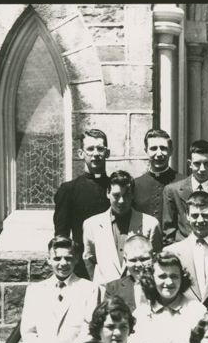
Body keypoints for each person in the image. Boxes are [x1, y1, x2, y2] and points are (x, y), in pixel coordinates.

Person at [83, 170, 163, 286]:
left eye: (126, 195)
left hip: (139, 291)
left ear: (133, 195)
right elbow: (89, 260)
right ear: (108, 193)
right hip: (106, 293)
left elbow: (155, 261)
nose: (121, 201)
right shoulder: (92, 225)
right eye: (116, 195)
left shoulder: (150, 224)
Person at [131, 252, 207, 343]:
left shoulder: (197, 311)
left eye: (174, 276)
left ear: (182, 278)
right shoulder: (140, 314)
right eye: (162, 276)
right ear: (151, 278)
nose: (169, 282)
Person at [163, 190, 208, 312]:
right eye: (195, 215)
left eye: (205, 215)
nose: (200, 221)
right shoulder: (172, 252)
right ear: (187, 216)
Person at [53, 128, 111, 268]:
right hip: (81, 265)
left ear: (107, 153)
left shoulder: (114, 188)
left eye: (100, 149)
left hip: (112, 260)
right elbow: (62, 234)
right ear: (81, 153)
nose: (95, 154)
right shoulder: (69, 190)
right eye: (90, 149)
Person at [162, 139, 208, 246]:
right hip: (183, 250)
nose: (202, 169)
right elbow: (168, 230)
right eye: (197, 164)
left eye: (206, 163)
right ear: (190, 164)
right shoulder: (173, 190)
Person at [133, 127, 177, 230]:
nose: (159, 154)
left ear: (171, 151)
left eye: (163, 148)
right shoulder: (135, 184)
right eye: (153, 148)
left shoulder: (183, 182)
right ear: (146, 151)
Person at [101, 234, 155, 311]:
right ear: (125, 261)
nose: (139, 264)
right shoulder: (113, 289)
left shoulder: (163, 284)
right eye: (133, 260)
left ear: (153, 258)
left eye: (144, 259)